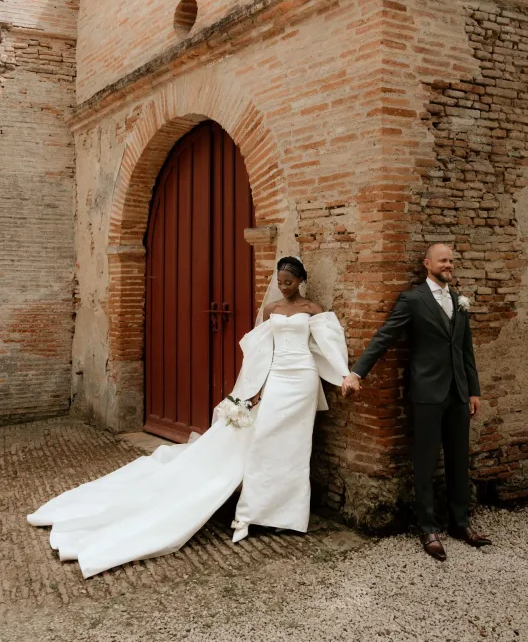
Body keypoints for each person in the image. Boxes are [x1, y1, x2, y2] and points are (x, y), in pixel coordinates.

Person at [27, 256, 354, 577]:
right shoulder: (270, 311)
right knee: (264, 443)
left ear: (301, 280)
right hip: (278, 379)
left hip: (303, 380)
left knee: (296, 448)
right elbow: (259, 354)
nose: (282, 288)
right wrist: (251, 392)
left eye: (289, 282)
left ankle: (289, 516)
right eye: (279, 282)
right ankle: (256, 512)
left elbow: (329, 346)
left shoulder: (313, 310)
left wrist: (346, 376)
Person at [342, 243, 491, 561]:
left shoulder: (458, 300)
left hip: (458, 394)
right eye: (443, 260)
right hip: (426, 394)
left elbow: (466, 350)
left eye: (451, 260)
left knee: (458, 460)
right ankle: (428, 528)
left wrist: (473, 391)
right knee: (424, 463)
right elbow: (385, 336)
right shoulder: (412, 299)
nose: (449, 265)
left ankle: (460, 523)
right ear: (427, 264)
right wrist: (357, 373)